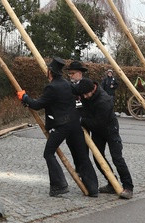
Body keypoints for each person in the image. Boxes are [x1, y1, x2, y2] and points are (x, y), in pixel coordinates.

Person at [20, 57, 100, 198]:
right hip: (75, 124)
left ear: (50, 72)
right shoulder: (67, 84)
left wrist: (25, 98)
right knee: (82, 156)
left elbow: (38, 104)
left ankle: (59, 185)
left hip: (62, 126)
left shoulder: (52, 87)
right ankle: (93, 188)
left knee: (48, 153)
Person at [70, 61, 133, 200]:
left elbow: (98, 123)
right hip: (97, 130)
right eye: (83, 95)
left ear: (93, 89)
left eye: (86, 95)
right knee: (98, 158)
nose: (85, 97)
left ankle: (128, 187)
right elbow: (72, 90)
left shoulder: (104, 101)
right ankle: (112, 183)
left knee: (117, 158)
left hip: (109, 129)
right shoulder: (86, 91)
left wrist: (82, 120)